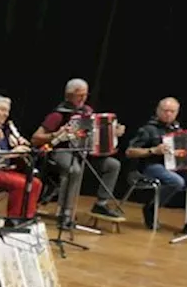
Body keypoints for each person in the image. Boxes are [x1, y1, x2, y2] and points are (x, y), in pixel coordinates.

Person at [29, 78, 124, 226]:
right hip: (62, 150)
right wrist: (55, 134)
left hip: (87, 153)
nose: (83, 99)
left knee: (113, 164)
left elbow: (97, 132)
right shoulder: (58, 115)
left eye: (85, 95)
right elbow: (35, 139)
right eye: (79, 95)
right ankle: (65, 212)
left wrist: (114, 133)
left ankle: (101, 204)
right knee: (74, 170)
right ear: (68, 95)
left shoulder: (88, 112)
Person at [125, 96, 187, 234]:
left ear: (177, 112)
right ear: (158, 110)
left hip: (175, 168)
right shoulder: (148, 129)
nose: (168, 114)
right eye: (165, 110)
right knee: (176, 181)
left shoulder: (178, 130)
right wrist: (153, 150)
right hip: (151, 166)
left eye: (172, 111)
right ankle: (151, 208)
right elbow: (130, 152)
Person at [0, 95, 42, 221]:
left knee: (36, 183)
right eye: (2, 110)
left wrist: (21, 145)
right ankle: (13, 220)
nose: (6, 114)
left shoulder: (6, 128)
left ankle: (26, 218)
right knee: (20, 184)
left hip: (6, 169)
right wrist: (14, 152)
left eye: (7, 111)